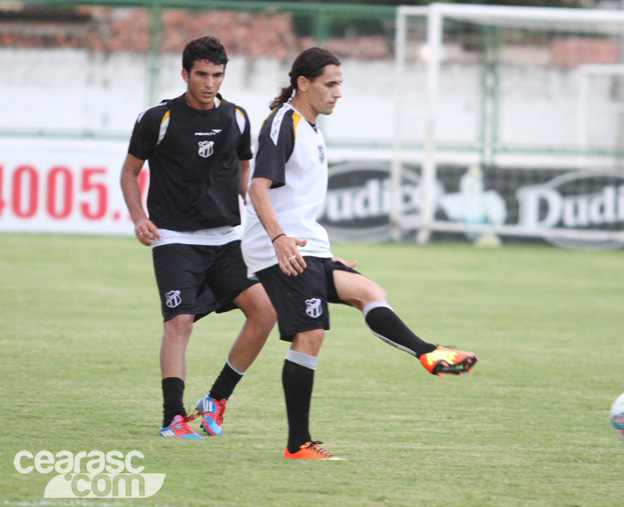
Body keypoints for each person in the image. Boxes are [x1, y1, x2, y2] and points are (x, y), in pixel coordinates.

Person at [241, 47, 478, 460]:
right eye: (330, 84)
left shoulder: (310, 128)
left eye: (340, 85)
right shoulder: (283, 124)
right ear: (304, 83)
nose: (338, 93)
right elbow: (257, 187)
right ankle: (298, 445)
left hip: (305, 243)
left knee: (368, 290)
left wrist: (322, 254)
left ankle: (428, 353)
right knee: (310, 334)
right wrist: (279, 240)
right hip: (279, 245)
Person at [120, 36, 276, 439]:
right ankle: (173, 417)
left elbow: (245, 168)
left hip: (226, 240)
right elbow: (128, 172)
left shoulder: (237, 117)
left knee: (265, 312)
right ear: (185, 74)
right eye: (202, 75)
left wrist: (250, 209)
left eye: (218, 75)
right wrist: (139, 218)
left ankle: (216, 399)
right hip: (174, 238)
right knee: (180, 322)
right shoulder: (158, 118)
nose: (210, 84)